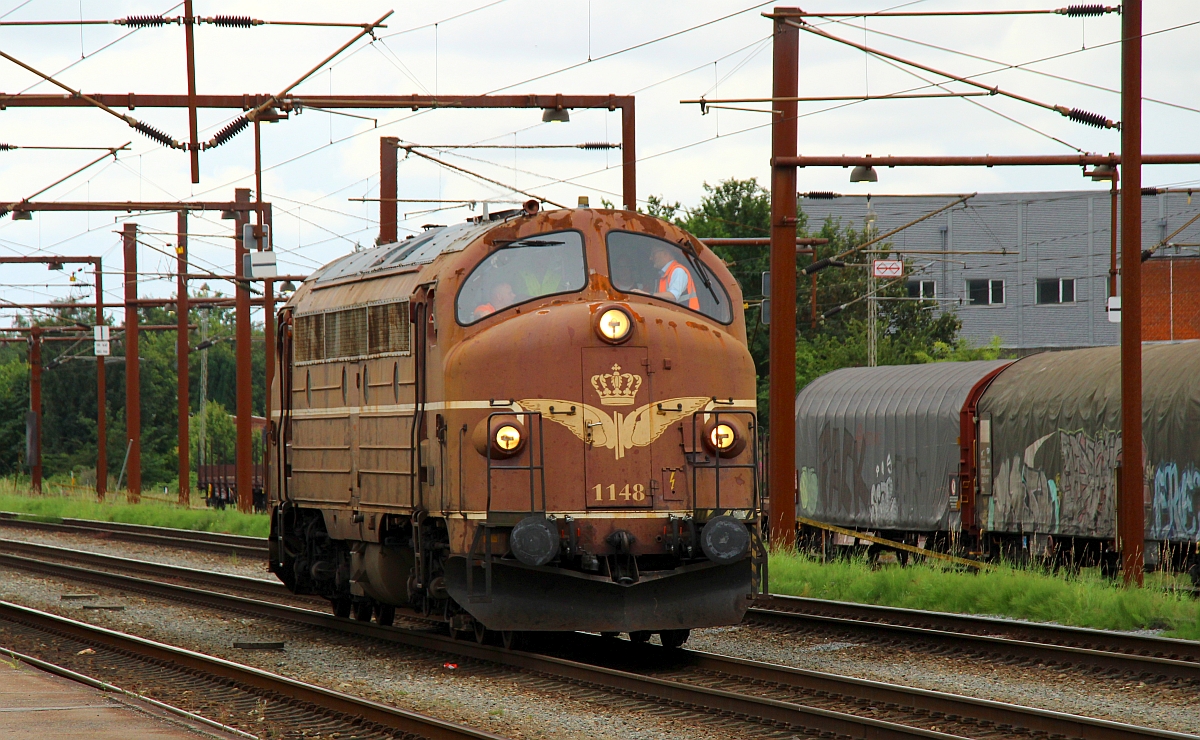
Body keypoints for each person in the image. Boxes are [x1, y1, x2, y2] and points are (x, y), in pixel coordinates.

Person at [651, 244, 699, 309]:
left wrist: (648, 295)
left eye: (653, 254)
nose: (651, 258)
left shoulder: (678, 271)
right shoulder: (665, 274)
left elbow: (673, 296)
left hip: (685, 317)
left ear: (665, 253)